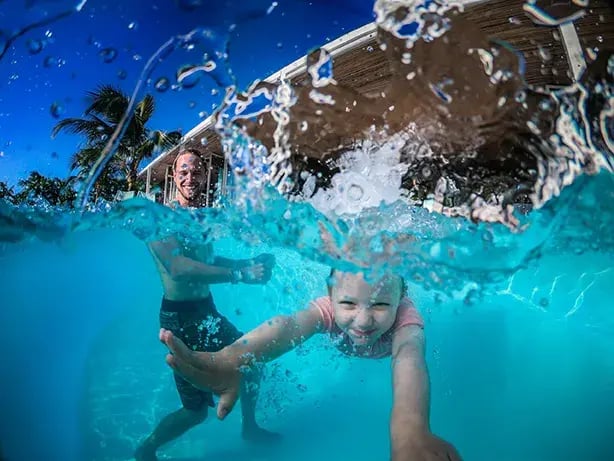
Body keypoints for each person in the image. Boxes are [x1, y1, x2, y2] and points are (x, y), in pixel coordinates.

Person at [160, 268, 462, 461]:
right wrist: (234, 357)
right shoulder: (327, 310)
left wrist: (410, 430)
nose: (363, 320)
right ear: (331, 298)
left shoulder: (406, 319)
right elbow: (289, 326)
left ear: (400, 299)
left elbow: (408, 357)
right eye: (347, 304)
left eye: (382, 304)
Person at [135, 149, 279, 461]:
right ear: (173, 176)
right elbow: (179, 268)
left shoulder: (200, 219)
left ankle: (250, 428)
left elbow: (208, 261)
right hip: (180, 320)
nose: (190, 176)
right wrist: (240, 273)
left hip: (207, 311)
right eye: (183, 171)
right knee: (196, 411)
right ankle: (146, 448)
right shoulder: (157, 219)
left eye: (197, 170)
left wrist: (249, 263)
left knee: (253, 363)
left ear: (205, 176)